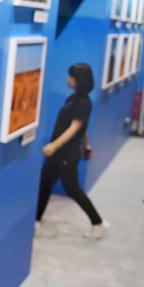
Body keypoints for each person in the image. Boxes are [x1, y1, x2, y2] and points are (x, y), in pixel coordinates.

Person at [36, 63, 109, 240]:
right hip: (59, 153)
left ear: (79, 80)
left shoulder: (84, 102)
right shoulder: (74, 98)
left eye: (71, 76)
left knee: (72, 189)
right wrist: (87, 145)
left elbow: (75, 127)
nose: (68, 79)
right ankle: (36, 221)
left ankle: (98, 223)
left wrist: (54, 145)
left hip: (66, 154)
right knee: (45, 183)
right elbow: (83, 127)